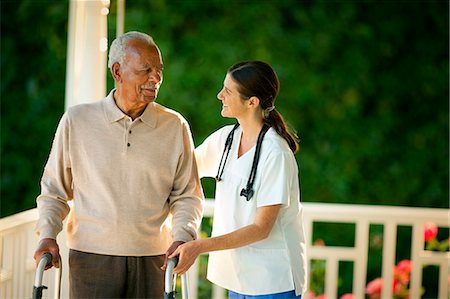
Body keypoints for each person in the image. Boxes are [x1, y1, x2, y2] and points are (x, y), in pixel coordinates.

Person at [33, 31, 203, 298]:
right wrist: (47, 234)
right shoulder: (77, 121)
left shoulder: (175, 126)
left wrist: (183, 235)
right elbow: (54, 190)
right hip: (91, 259)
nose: (155, 78)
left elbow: (188, 195)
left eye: (159, 70)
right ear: (117, 71)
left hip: (153, 259)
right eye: (146, 69)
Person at [169, 61, 307, 298]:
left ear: (252, 102)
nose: (220, 95)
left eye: (228, 91)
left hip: (273, 281)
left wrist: (199, 246)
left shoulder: (276, 153)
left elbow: (261, 228)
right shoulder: (225, 139)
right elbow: (181, 169)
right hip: (239, 279)